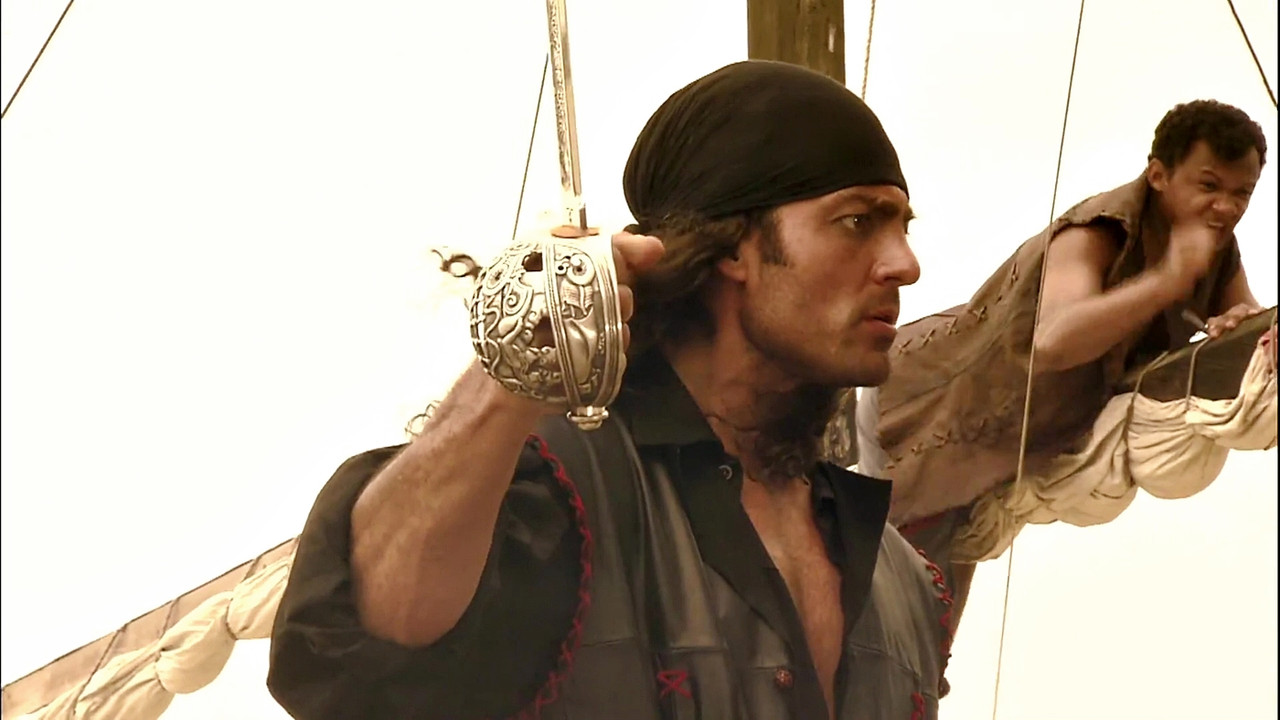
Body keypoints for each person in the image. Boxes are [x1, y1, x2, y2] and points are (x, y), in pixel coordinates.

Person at [266, 60, 954, 720]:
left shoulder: (901, 579)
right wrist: (510, 378)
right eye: (857, 221)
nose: (905, 264)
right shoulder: (556, 489)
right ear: (733, 247)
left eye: (903, 227)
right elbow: (366, 643)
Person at [856, 99, 1274, 637]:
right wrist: (1167, 280)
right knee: (892, 610)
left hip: (1005, 449)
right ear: (1159, 176)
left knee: (927, 628)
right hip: (928, 417)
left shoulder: (1214, 249)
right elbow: (1054, 340)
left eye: (1242, 193)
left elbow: (1248, 334)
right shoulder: (1095, 232)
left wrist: (1238, 319)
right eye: (1209, 186)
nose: (1225, 207)